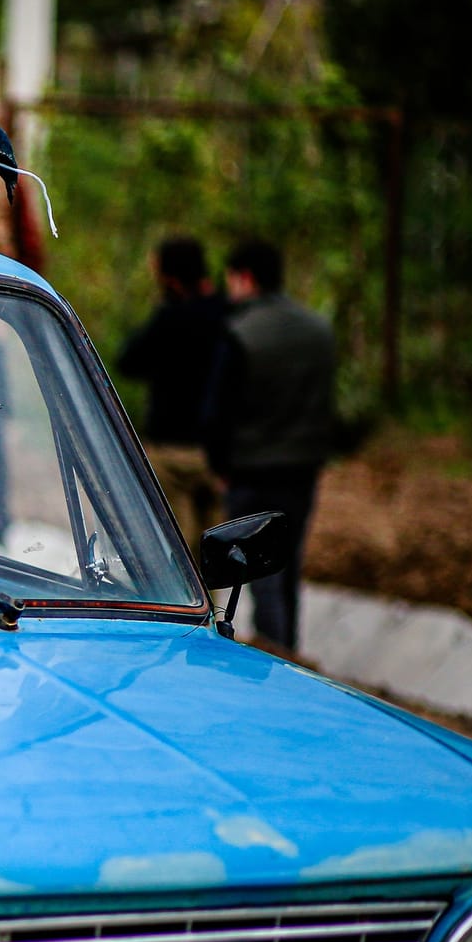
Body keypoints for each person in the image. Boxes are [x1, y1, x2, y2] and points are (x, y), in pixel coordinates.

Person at [201, 239, 337, 652]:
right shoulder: (318, 330)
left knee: (259, 570)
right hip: (302, 469)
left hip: (250, 470)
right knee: (288, 564)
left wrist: (220, 465)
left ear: (245, 278)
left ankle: (274, 654)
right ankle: (289, 649)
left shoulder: (239, 332)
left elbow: (215, 412)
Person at [117, 235, 228, 550]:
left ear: (170, 276)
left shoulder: (168, 319)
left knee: (179, 553)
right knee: (217, 553)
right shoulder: (228, 314)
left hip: (171, 450)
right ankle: (215, 601)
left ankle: (192, 601)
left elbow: (128, 361)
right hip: (217, 454)